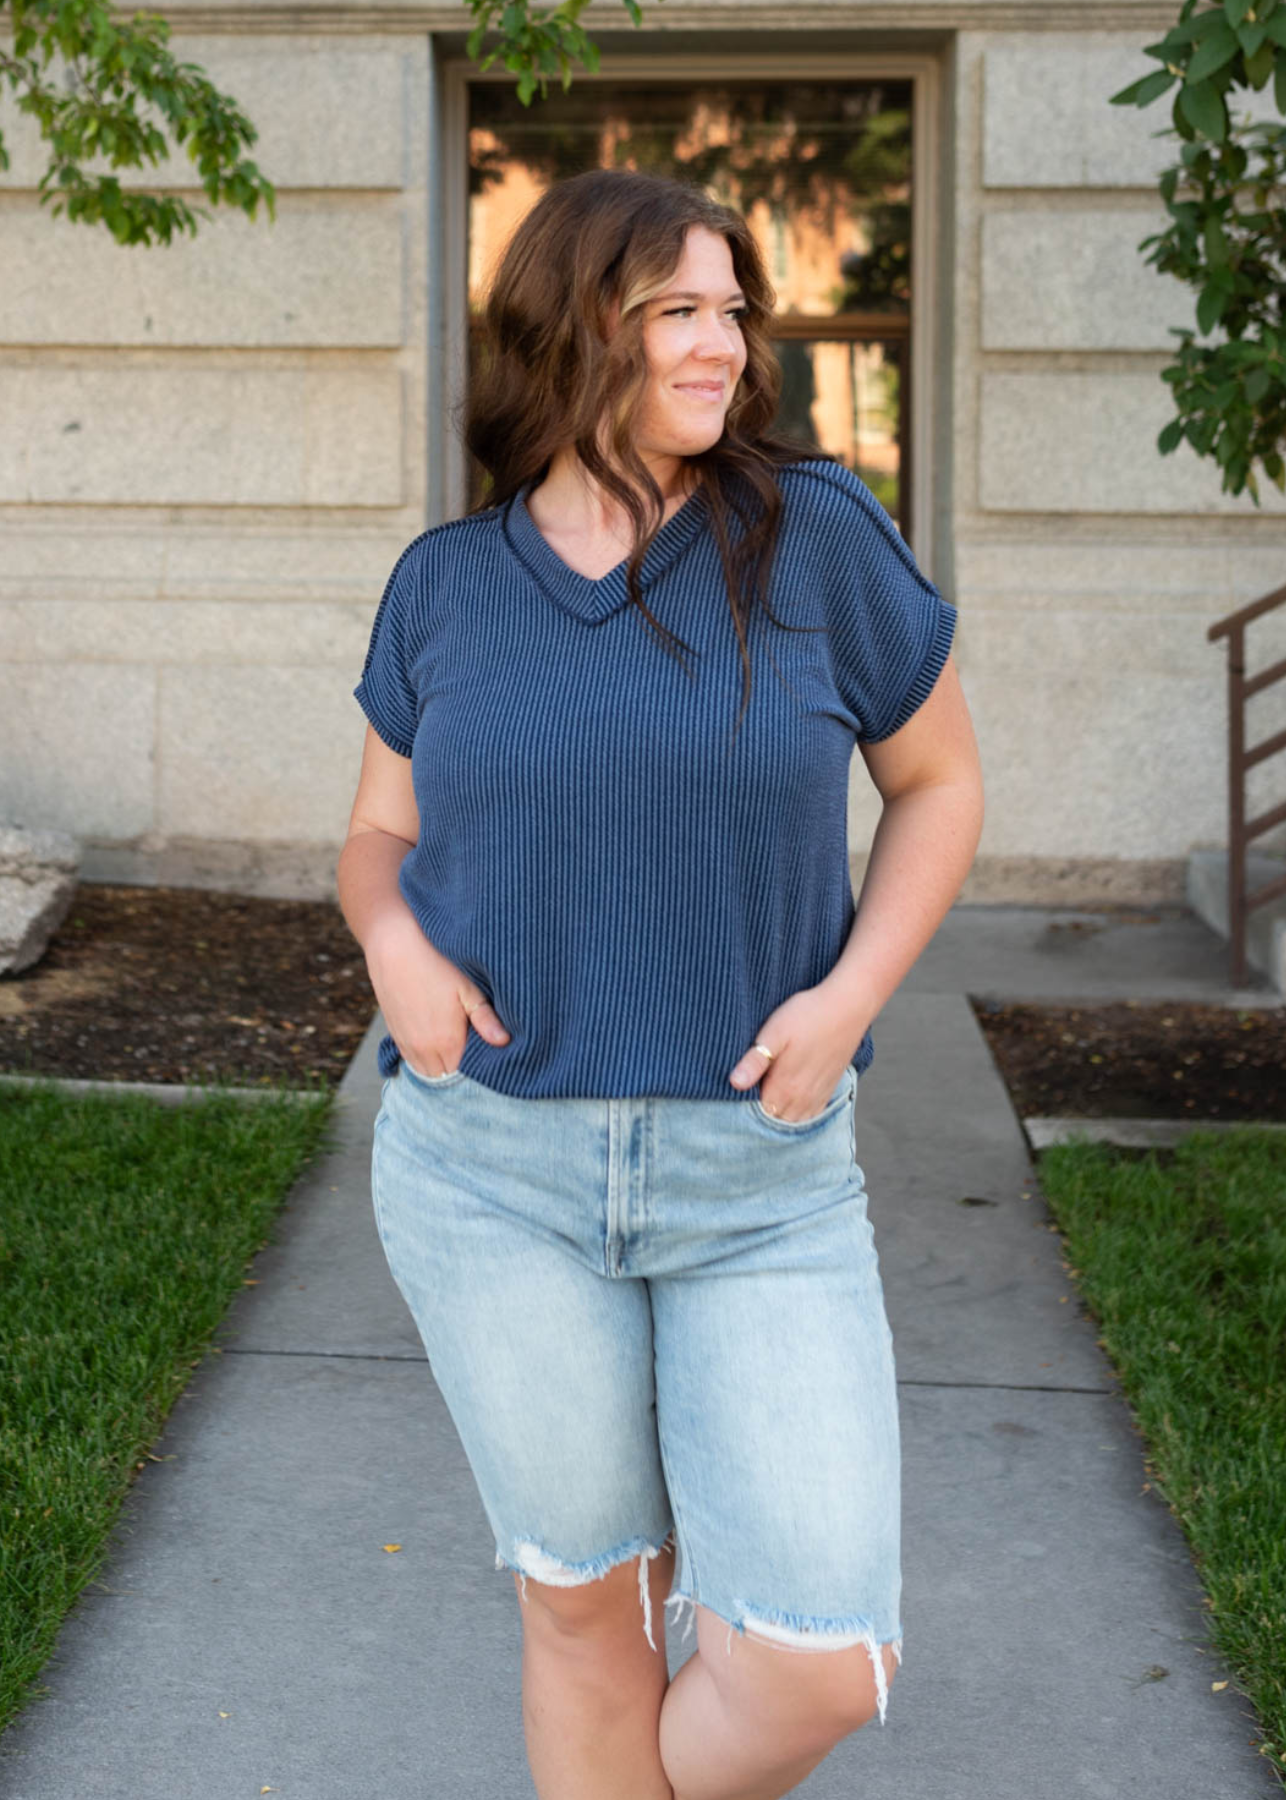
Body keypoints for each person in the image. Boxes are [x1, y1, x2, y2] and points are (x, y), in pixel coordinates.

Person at [336, 166, 984, 1800]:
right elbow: (374, 832)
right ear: (572, 329)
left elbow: (941, 786)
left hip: (755, 1178)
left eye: (730, 311)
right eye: (675, 312)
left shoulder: (814, 537)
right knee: (584, 1614)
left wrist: (845, 1001)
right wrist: (391, 941)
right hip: (488, 1175)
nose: (722, 346)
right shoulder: (447, 584)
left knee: (814, 1665)